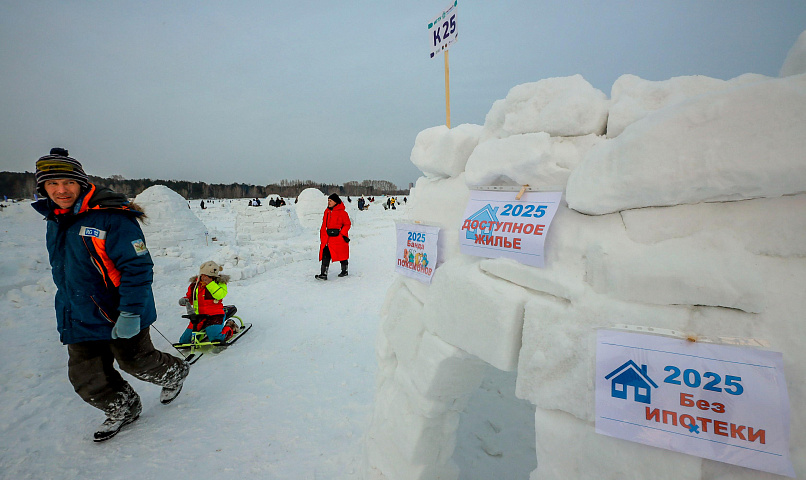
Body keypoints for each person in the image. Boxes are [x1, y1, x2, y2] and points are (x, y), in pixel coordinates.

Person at [31, 148, 189, 442]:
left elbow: (137, 267)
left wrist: (130, 311)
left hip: (120, 309)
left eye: (68, 182)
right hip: (78, 313)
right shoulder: (56, 220)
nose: (61, 190)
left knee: (136, 362)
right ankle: (123, 408)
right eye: (52, 184)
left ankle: (175, 373)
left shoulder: (112, 219)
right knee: (85, 376)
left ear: (82, 183)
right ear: (43, 188)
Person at [177, 261, 238, 344]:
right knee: (184, 341)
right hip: (199, 316)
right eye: (203, 275)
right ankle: (205, 331)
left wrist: (210, 283)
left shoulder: (219, 283)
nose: (205, 278)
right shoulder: (195, 284)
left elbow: (220, 295)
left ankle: (230, 327)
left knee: (216, 339)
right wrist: (185, 300)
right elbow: (191, 298)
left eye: (208, 276)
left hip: (215, 315)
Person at [315, 193, 351, 280]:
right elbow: (324, 224)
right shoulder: (326, 211)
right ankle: (323, 274)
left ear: (335, 202)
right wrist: (322, 234)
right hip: (328, 238)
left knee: (342, 255)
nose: (329, 202)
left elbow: (347, 224)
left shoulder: (343, 213)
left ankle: (344, 271)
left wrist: (341, 233)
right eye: (328, 200)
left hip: (339, 238)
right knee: (325, 254)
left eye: (330, 200)